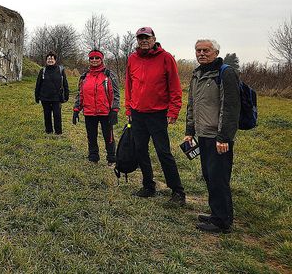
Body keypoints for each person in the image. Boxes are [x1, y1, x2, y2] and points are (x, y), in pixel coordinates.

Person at [125, 26, 186, 205]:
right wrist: (129, 109)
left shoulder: (166, 58)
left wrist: (173, 110)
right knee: (140, 150)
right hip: (137, 114)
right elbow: (129, 86)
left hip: (158, 114)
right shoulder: (132, 58)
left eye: (147, 37)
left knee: (163, 152)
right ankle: (148, 186)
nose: (144, 40)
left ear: (154, 39)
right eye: (140, 38)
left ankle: (177, 191)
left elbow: (175, 87)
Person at [184, 39, 240, 233]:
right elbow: (192, 105)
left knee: (219, 178)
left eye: (206, 50)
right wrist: (189, 131)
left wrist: (224, 137)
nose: (201, 53)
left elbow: (230, 107)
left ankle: (222, 222)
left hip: (218, 138)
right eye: (198, 50)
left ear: (216, 52)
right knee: (209, 176)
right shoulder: (197, 74)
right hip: (203, 134)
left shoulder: (225, 73)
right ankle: (217, 214)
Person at [72, 49, 120, 166]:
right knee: (91, 136)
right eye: (91, 58)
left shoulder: (109, 75)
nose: (94, 60)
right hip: (89, 112)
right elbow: (80, 94)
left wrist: (114, 110)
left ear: (101, 59)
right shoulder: (84, 76)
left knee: (108, 136)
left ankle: (111, 158)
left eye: (97, 58)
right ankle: (93, 157)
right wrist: (76, 109)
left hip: (105, 112)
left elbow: (115, 94)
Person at [35, 51, 70, 135]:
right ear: (46, 60)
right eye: (48, 59)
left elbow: (65, 83)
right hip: (45, 97)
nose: (50, 60)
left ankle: (58, 132)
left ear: (55, 60)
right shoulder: (43, 71)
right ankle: (48, 131)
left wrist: (66, 95)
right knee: (47, 115)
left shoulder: (60, 70)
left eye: (52, 59)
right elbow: (38, 84)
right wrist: (37, 96)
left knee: (57, 115)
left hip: (57, 97)